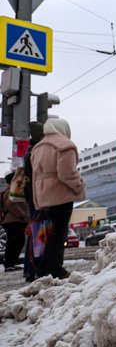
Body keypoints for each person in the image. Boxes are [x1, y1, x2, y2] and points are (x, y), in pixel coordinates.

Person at [30, 118, 85, 279]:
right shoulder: (64, 145)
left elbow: (34, 177)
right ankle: (55, 269)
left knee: (46, 235)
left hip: (43, 196)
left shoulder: (38, 147)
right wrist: (79, 185)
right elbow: (67, 174)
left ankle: (42, 269)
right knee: (59, 234)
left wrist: (37, 200)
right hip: (60, 195)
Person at [23, 121, 44, 282]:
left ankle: (30, 269)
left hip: (31, 193)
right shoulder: (35, 150)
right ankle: (35, 268)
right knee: (37, 232)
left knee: (34, 232)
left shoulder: (30, 150)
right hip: (36, 193)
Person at [1, 172, 30, 271]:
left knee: (16, 241)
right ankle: (9, 264)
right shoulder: (12, 191)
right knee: (15, 242)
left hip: (10, 221)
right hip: (13, 221)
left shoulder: (9, 190)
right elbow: (11, 204)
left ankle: (11, 263)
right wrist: (23, 215)